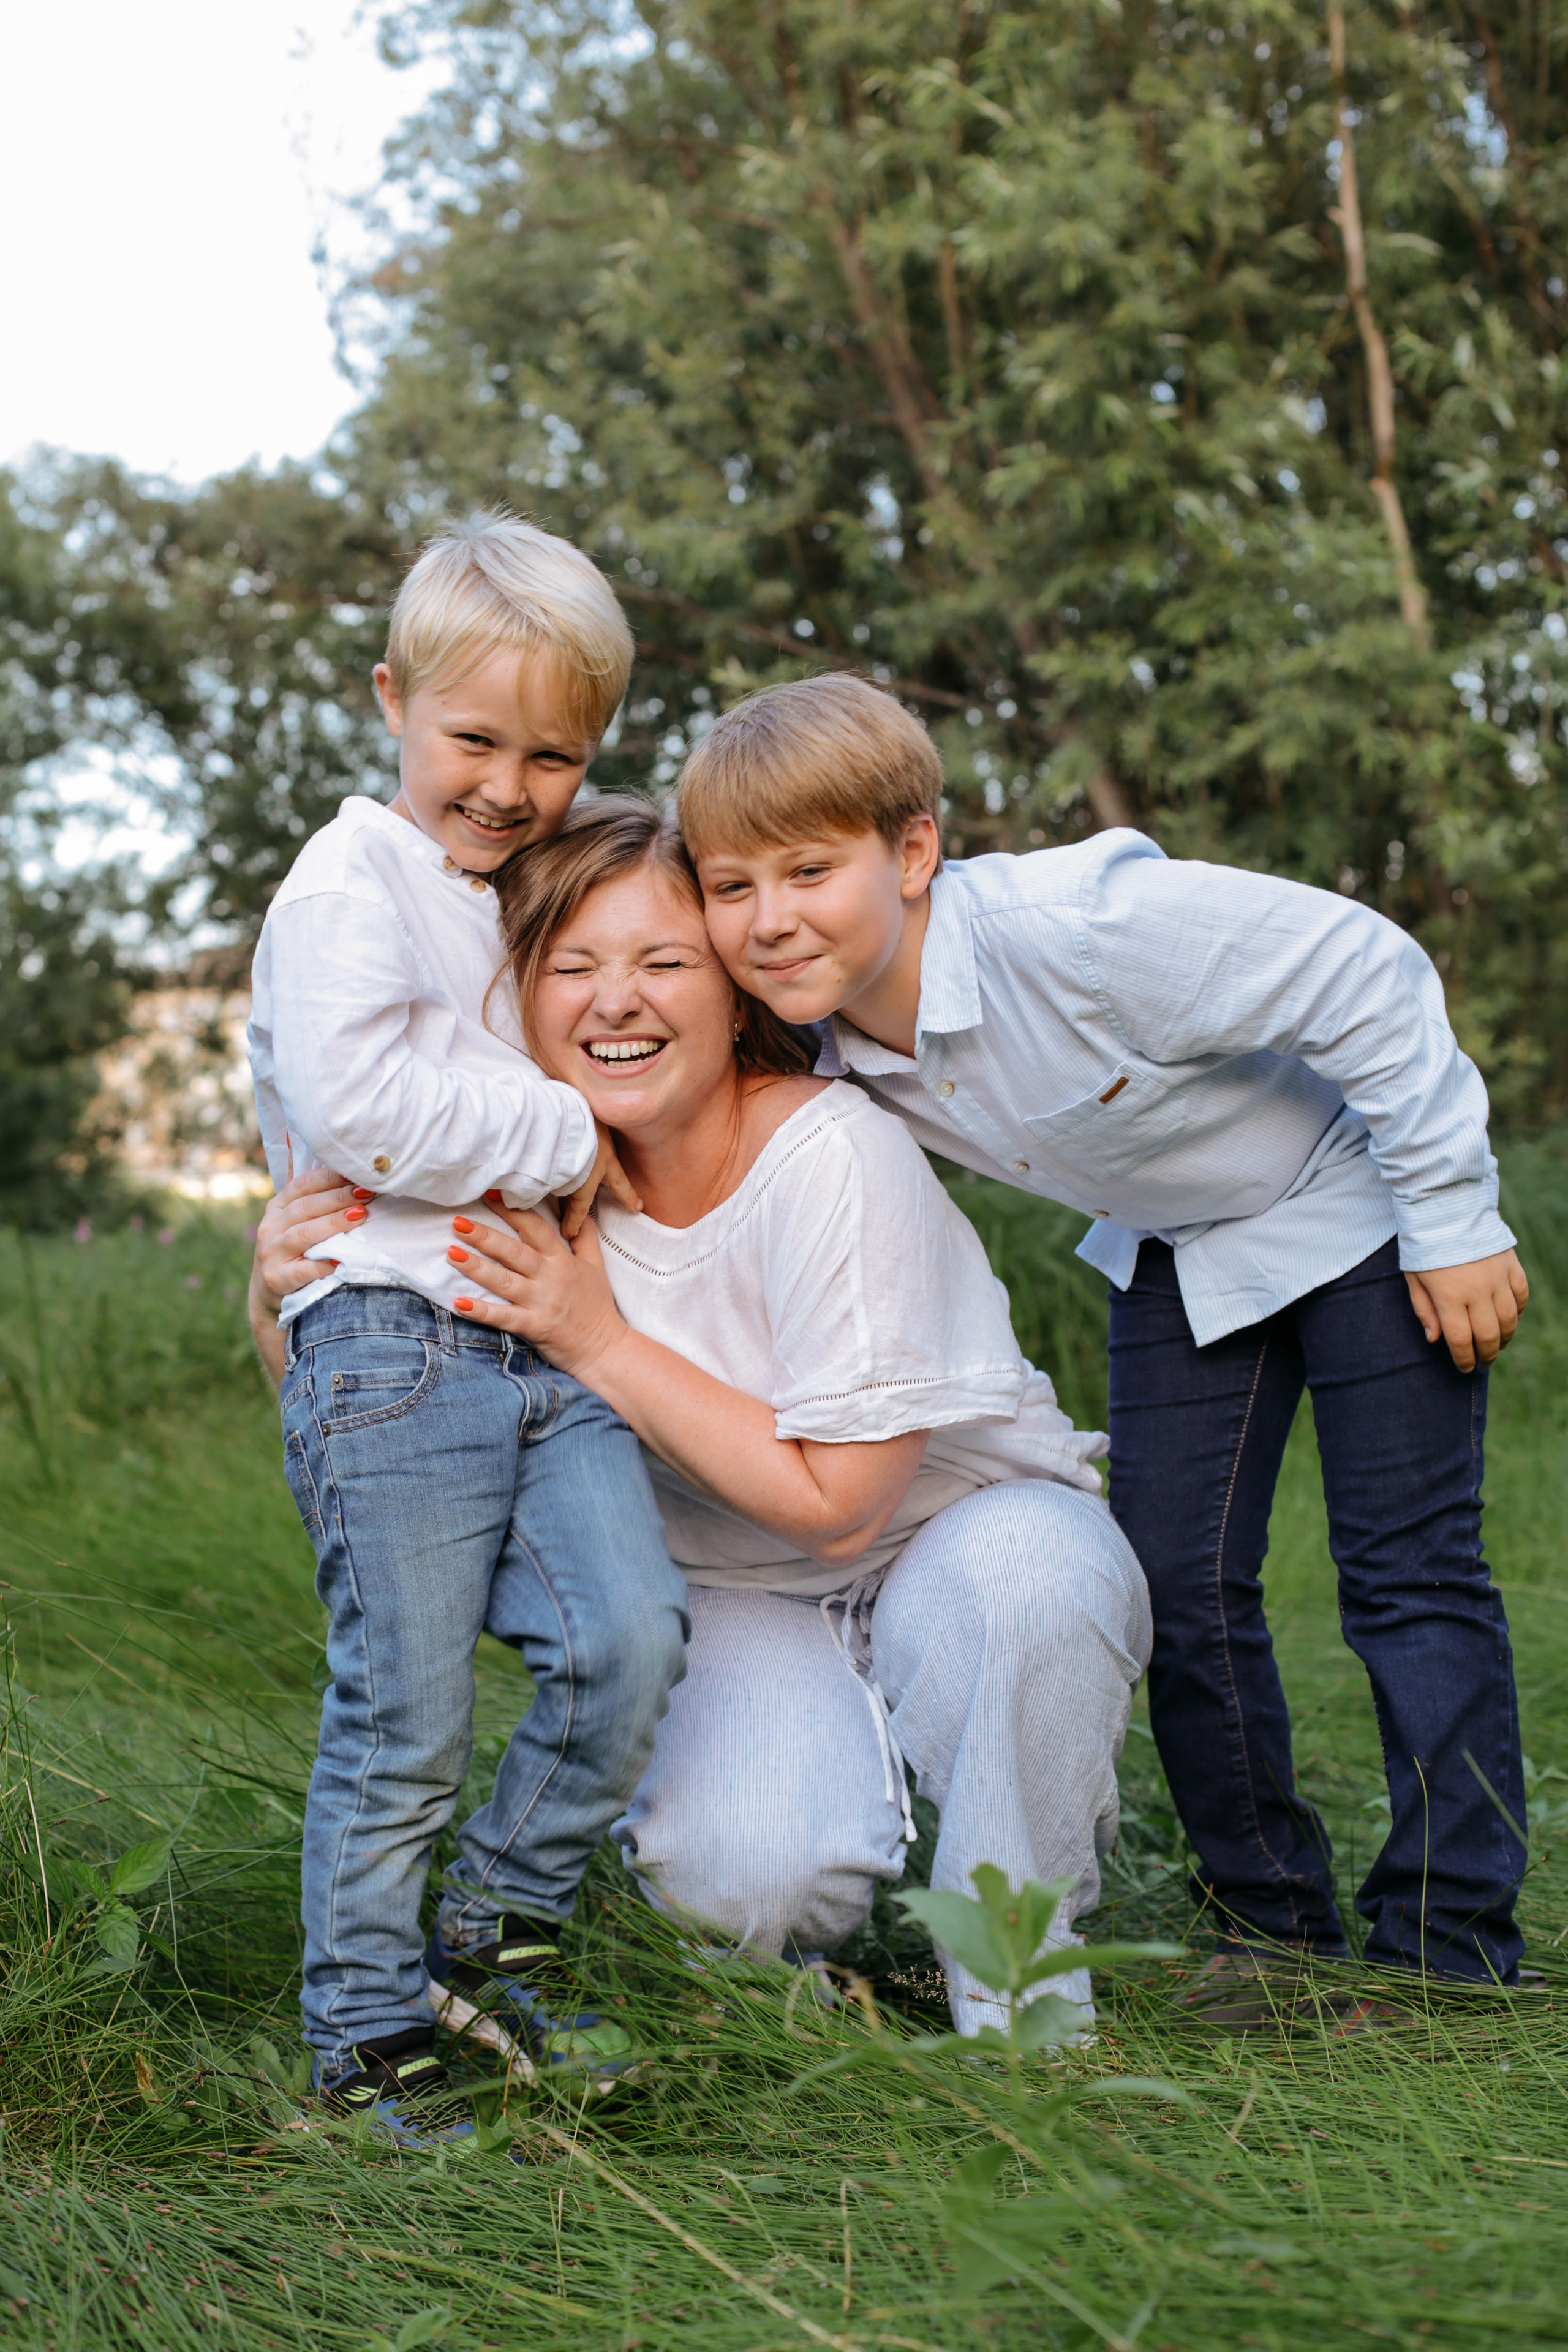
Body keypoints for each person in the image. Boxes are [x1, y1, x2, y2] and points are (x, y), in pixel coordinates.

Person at [673, 671, 1532, 2016]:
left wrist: (1452, 1217)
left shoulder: (1077, 929)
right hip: (1178, 1249)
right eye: (732, 887)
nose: (770, 919)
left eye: (807, 869)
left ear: (911, 852)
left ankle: (1449, 1944)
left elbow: (1365, 967)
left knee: (1404, 1578)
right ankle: (1272, 1930)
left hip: (1357, 1205)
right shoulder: (814, 1041)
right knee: (1177, 1593)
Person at [255, 799, 1152, 2039]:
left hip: (959, 1531)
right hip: (732, 1592)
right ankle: (835, 1927)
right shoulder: (510, 1194)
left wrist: (594, 1337)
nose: (615, 1002)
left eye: (663, 963)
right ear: (515, 1003)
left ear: (734, 996)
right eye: (571, 967)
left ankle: (1020, 2000)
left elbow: (840, 1509)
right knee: (743, 1888)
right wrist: (284, 1289)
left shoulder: (830, 1152)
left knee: (1028, 1593)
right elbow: (370, 1428)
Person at [246, 514, 688, 2139]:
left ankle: (489, 1938)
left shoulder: (511, 894)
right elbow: (354, 1105)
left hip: (537, 1349)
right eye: (473, 739)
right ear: (391, 704)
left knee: (627, 1637)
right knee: (406, 1716)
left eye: (552, 753)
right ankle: (361, 2029)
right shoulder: (350, 875)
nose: (507, 782)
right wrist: (572, 1136)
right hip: (392, 1352)